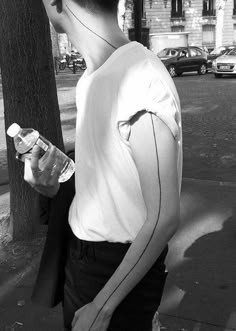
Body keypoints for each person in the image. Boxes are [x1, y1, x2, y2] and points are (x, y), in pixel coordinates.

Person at [24, 0, 183, 330]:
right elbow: (113, 180)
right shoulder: (93, 78)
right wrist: (55, 186)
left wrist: (103, 305)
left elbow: (163, 217)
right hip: (81, 261)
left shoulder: (139, 77)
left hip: (113, 273)